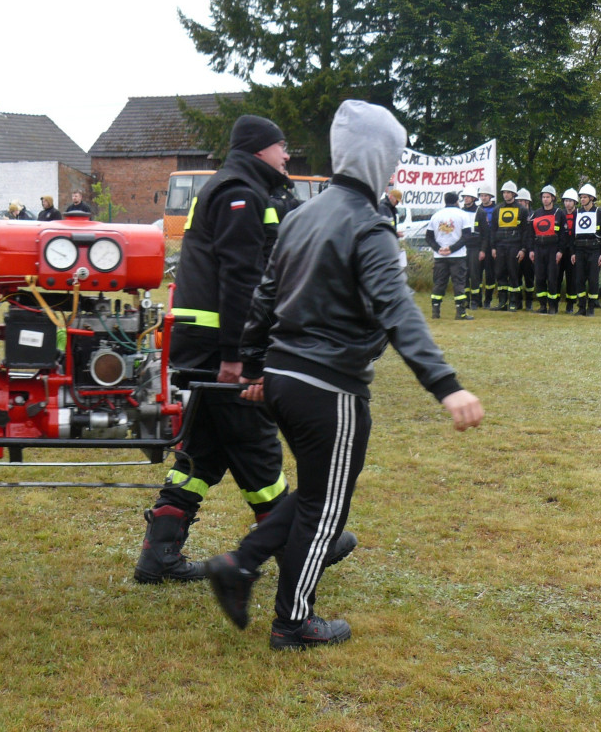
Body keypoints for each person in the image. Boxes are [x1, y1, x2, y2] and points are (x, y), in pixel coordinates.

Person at [203, 100, 484, 650]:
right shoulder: (371, 227)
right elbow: (398, 310)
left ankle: (240, 563)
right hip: (330, 389)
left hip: (285, 379)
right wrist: (446, 386)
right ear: (380, 158)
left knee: (314, 494)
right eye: (395, 157)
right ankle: (294, 622)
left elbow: (264, 297)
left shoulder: (301, 215)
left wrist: (258, 366)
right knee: (325, 506)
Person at [134, 113, 355, 585]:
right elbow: (241, 281)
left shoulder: (235, 186)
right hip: (218, 346)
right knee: (255, 445)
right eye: (281, 147)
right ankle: (304, 540)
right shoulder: (240, 193)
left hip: (201, 342)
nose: (287, 155)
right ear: (259, 148)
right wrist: (240, 356)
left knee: (204, 453)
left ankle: (159, 555)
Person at [426, 192, 473, 320]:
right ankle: (460, 313)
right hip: (458, 255)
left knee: (439, 283)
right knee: (459, 284)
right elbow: (467, 236)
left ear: (445, 201)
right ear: (457, 201)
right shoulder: (462, 215)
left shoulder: (436, 216)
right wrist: (451, 249)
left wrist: (439, 248)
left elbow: (428, 237)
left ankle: (435, 312)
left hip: (440, 256)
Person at [569, 183, 601, 317]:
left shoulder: (600, 213)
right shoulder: (577, 213)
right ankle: (581, 307)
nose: (582, 200)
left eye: (585, 197)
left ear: (591, 198)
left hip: (594, 249)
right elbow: (572, 234)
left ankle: (591, 307)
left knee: (593, 280)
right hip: (579, 249)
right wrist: (573, 252)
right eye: (581, 197)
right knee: (579, 279)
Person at [525, 185, 565, 314]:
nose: (545, 199)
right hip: (538, 248)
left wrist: (560, 251)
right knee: (540, 277)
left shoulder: (559, 213)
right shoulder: (536, 213)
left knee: (552, 278)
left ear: (553, 198)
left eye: (548, 197)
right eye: (543, 197)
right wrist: (531, 250)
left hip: (553, 248)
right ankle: (542, 305)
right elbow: (531, 233)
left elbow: (564, 235)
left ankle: (553, 306)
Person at [489, 180, 527, 311]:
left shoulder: (522, 210)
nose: (505, 195)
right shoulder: (497, 209)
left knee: (513, 273)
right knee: (500, 273)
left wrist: (523, 249)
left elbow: (525, 231)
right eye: (504, 192)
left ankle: (513, 302)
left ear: (514, 194)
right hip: (500, 246)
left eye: (508, 192)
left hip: (514, 246)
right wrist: (493, 247)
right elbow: (493, 230)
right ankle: (502, 302)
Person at [460, 187, 486, 309]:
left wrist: (483, 250)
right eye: (464, 197)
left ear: (474, 198)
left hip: (475, 247)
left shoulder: (480, 212)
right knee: (463, 274)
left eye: (468, 197)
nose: (465, 199)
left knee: (475, 275)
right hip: (463, 247)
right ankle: (466, 299)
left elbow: (486, 234)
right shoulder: (460, 211)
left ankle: (475, 301)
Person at [475, 185, 498, 308]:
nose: (483, 198)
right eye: (481, 195)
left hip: (491, 246)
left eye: (485, 195)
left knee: (490, 275)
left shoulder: (496, 209)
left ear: (490, 196)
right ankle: (477, 300)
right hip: (479, 246)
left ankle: (488, 300)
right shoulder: (477, 210)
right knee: (477, 274)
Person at [558, 188, 580, 313]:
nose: (568, 203)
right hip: (561, 250)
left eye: (570, 201)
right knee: (557, 277)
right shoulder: (560, 214)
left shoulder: (579, 215)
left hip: (573, 251)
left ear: (575, 202)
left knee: (572, 278)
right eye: (566, 201)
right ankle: (554, 302)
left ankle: (570, 304)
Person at [517, 188, 536, 310]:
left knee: (529, 277)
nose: (519, 203)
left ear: (527, 202)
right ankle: (517, 301)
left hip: (530, 251)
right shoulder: (515, 215)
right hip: (517, 249)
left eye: (521, 201)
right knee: (516, 276)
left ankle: (529, 301)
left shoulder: (534, 215)